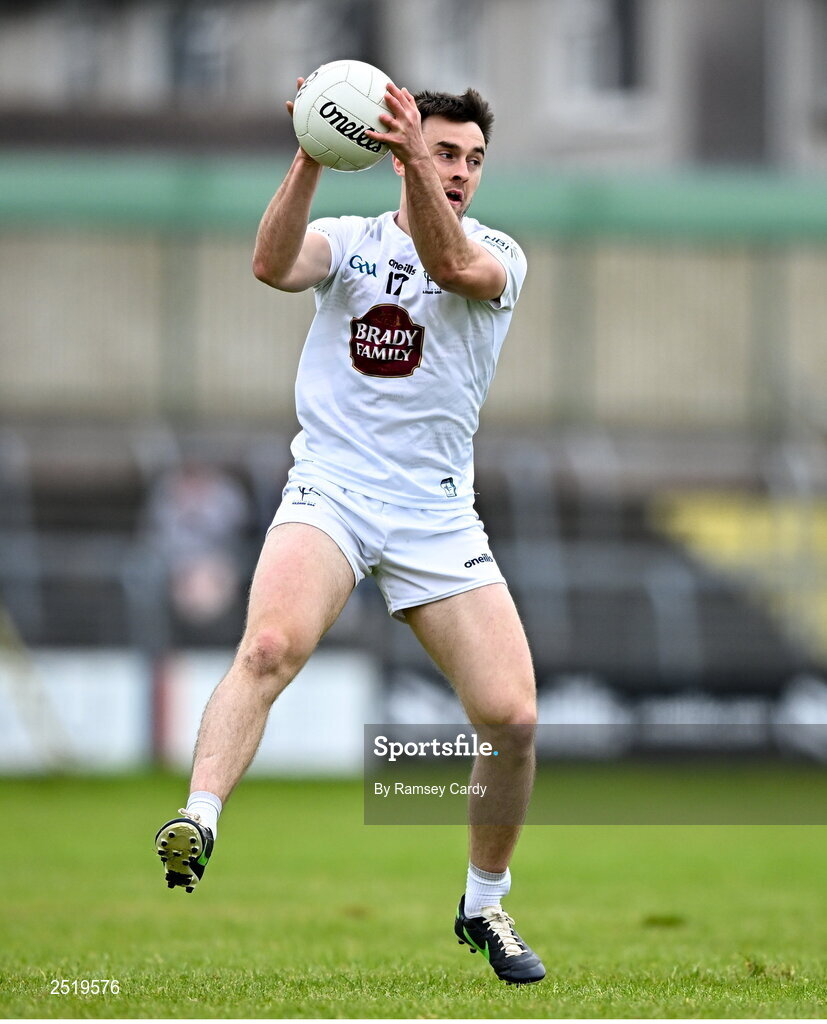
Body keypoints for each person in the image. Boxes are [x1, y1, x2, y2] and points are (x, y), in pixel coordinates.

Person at [154, 74, 544, 986]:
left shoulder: (498, 254)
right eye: (443, 151)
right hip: (332, 488)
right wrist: (308, 147)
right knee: (268, 648)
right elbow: (271, 265)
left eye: (471, 160)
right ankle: (197, 820)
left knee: (512, 718)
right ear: (403, 148)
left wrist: (408, 156)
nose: (458, 172)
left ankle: (483, 904)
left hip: (436, 512)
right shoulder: (352, 242)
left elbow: (450, 270)